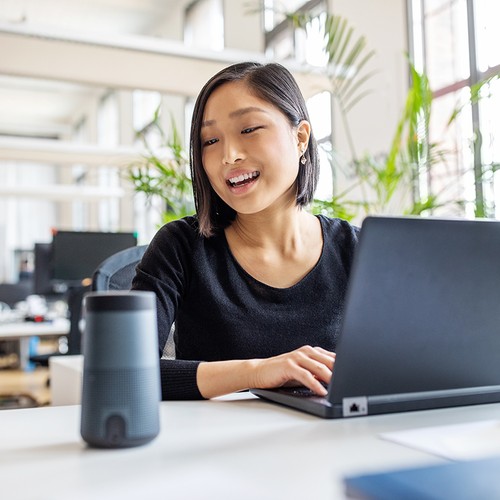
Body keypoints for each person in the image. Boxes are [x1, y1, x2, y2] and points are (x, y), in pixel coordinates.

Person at [132, 61, 359, 400]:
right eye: (210, 140)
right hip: (219, 447)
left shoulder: (357, 249)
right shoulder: (179, 247)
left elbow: (410, 359)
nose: (229, 155)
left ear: (300, 138)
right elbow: (126, 371)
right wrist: (257, 372)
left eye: (249, 129)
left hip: (344, 443)